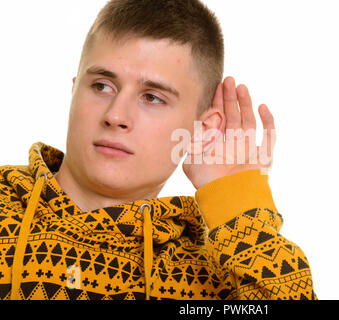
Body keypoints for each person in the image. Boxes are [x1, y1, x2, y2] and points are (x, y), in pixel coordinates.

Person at [0, 0, 317, 300]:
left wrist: (237, 203)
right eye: (101, 86)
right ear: (74, 90)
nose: (115, 116)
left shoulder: (214, 277)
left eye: (152, 97)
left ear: (201, 130)